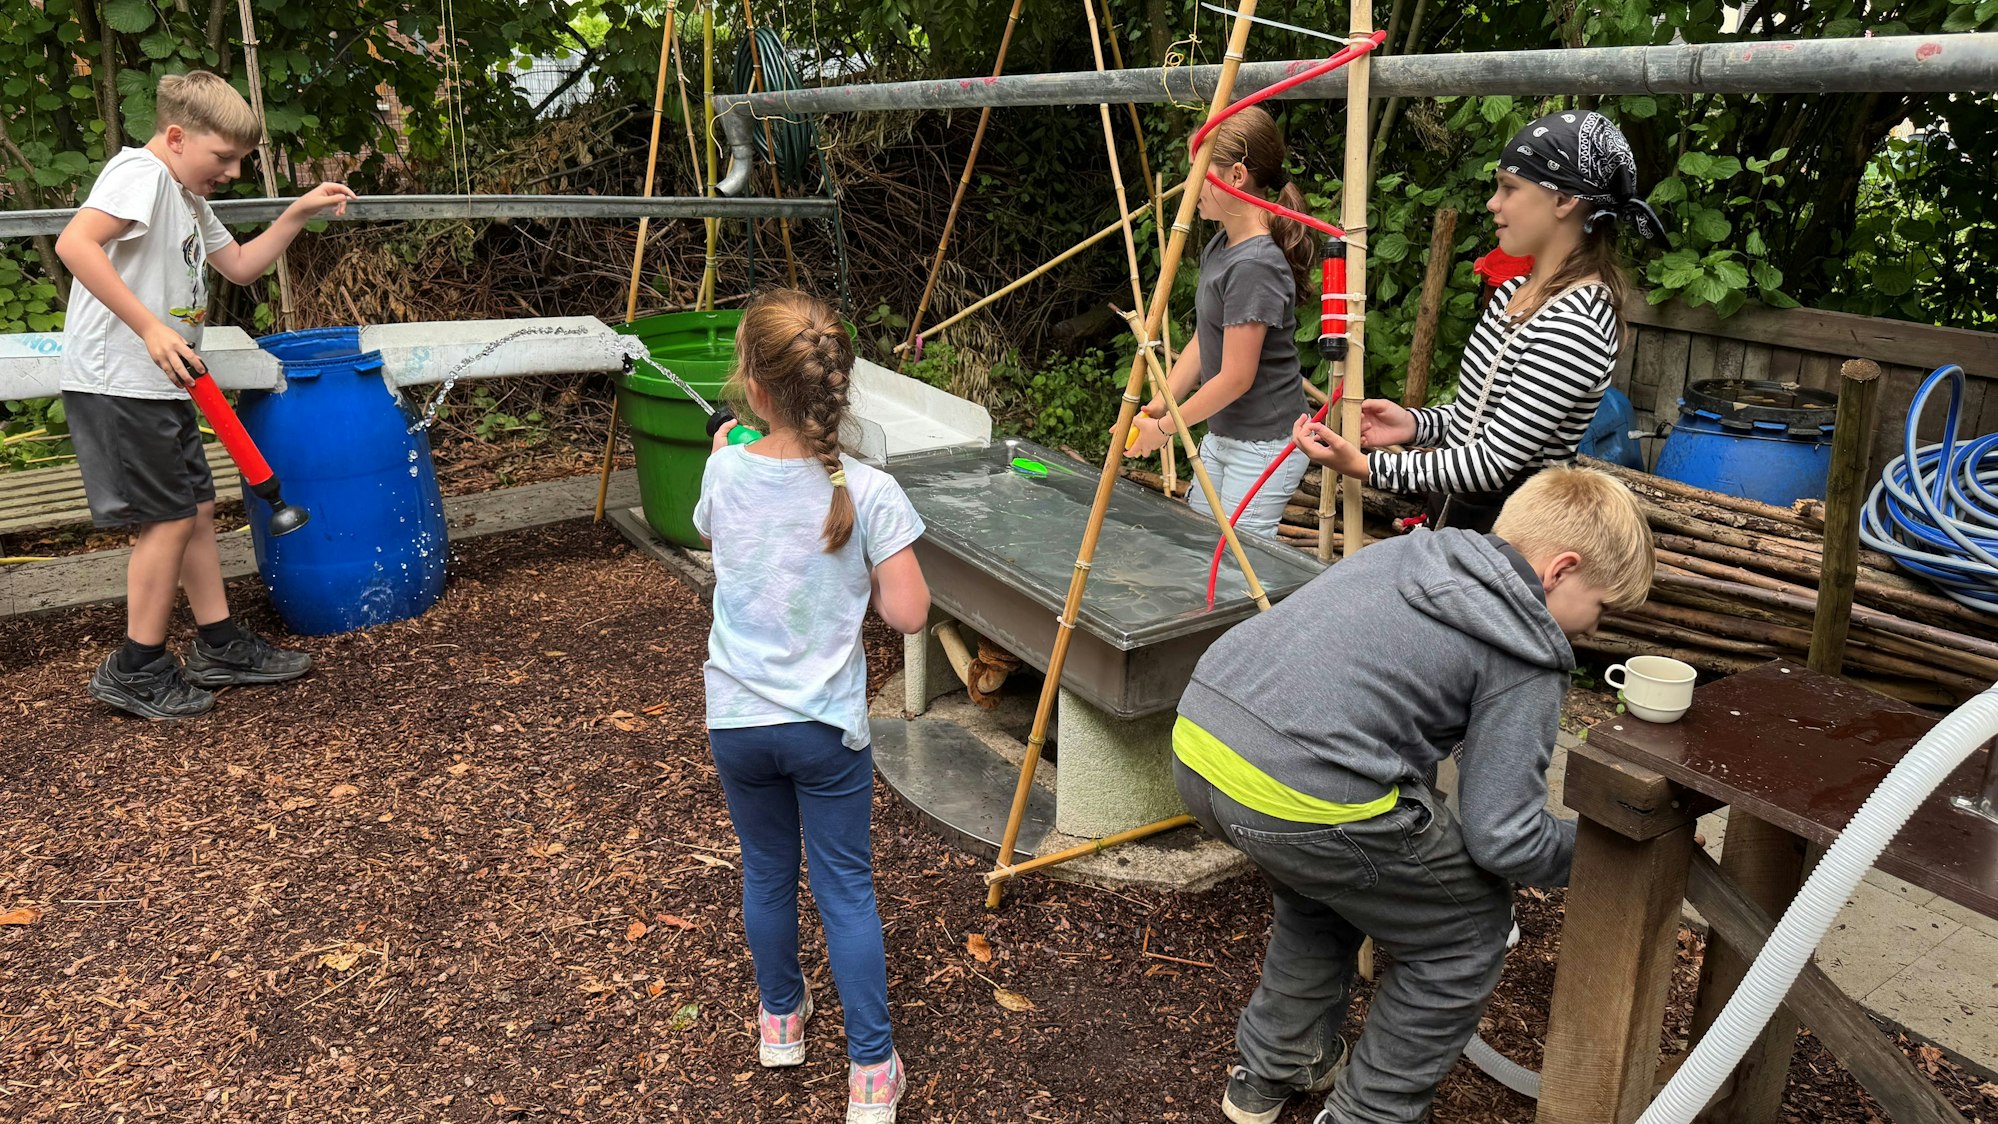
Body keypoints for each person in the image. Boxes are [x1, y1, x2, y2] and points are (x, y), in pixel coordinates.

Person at [1170, 466, 1654, 1124]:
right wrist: (1605, 850)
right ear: (1560, 570)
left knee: (1326, 893)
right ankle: (1369, 1115)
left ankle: (1271, 1074)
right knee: (1467, 933)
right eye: (1601, 610)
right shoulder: (1525, 649)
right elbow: (1502, 836)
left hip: (1203, 740)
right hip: (1304, 790)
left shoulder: (1414, 552)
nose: (1592, 633)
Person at [693, 289, 931, 1124]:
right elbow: (909, 615)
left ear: (753, 388)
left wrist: (730, 452)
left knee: (766, 872)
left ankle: (780, 1024)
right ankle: (871, 1072)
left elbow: (723, 540)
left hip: (738, 724)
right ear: (840, 387)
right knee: (845, 890)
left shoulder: (724, 466)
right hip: (827, 729)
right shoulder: (870, 491)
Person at [55, 70, 355, 719]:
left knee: (193, 507)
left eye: (240, 159)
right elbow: (75, 243)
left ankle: (219, 644)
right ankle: (136, 667)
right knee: (166, 517)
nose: (231, 170)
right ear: (176, 136)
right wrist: (149, 327)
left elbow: (241, 266)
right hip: (119, 379)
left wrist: (297, 212)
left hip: (158, 381)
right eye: (223, 157)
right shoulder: (141, 175)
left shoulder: (187, 196)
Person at [1291, 110, 1668, 534]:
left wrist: (1364, 466)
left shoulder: (1577, 323)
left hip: (1512, 537)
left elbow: (1492, 463)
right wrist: (1416, 424)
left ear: (1564, 201)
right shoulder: (1515, 292)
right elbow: (1481, 419)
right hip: (1465, 525)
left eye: (1510, 188)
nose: (1494, 202)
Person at [1116, 104, 1316, 539]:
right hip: (1225, 433)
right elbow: (1203, 347)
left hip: (1264, 445)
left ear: (1236, 176)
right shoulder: (1222, 246)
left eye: (1199, 172)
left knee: (1237, 570)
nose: (1191, 187)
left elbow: (1236, 378)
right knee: (1200, 550)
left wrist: (1165, 430)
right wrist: (1162, 404)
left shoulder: (1255, 264)